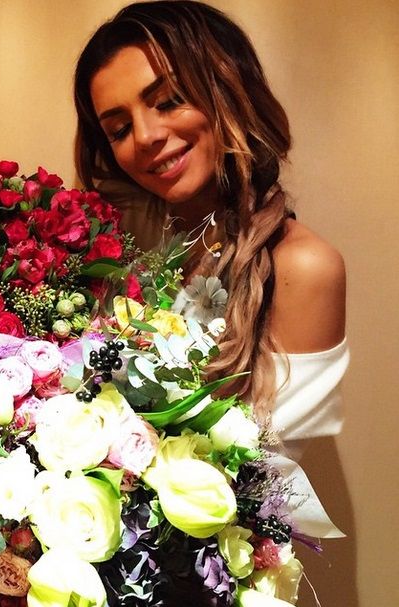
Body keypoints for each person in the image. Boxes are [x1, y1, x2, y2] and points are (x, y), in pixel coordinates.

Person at [74, 0, 348, 440]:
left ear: (228, 89)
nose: (145, 136)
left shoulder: (303, 267)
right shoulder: (133, 252)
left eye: (168, 101)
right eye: (119, 129)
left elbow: (263, 465)